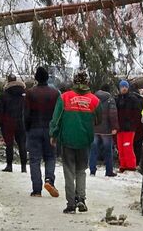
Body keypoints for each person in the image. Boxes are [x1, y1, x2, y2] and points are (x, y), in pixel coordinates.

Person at [49, 70, 101, 214]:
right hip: (85, 140)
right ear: (87, 82)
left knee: (69, 171)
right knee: (81, 171)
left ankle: (71, 203)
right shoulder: (95, 100)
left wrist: (53, 134)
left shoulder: (64, 97)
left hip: (67, 139)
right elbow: (98, 119)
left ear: (74, 82)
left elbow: (56, 119)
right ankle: (81, 199)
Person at [25, 67, 60, 197]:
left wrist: (27, 127)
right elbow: (58, 113)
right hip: (50, 129)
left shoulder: (30, 93)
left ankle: (36, 189)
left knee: (34, 160)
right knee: (50, 157)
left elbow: (26, 114)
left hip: (34, 128)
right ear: (47, 78)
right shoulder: (55, 93)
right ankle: (49, 180)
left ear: (36, 78)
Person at [0, 74, 27, 173]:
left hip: (8, 122)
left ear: (8, 82)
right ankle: (23, 167)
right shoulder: (24, 95)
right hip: (21, 122)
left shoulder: (4, 95)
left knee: (9, 144)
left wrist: (0, 123)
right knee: (22, 144)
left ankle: (9, 165)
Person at [89, 84, 119, 177]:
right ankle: (108, 171)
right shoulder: (110, 99)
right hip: (106, 130)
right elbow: (112, 114)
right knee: (108, 150)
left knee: (93, 150)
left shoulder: (93, 98)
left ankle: (92, 170)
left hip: (94, 128)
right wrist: (114, 127)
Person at [115, 80, 142, 172]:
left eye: (125, 87)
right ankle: (123, 165)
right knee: (120, 148)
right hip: (119, 127)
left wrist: (133, 125)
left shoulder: (132, 99)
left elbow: (137, 113)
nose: (124, 88)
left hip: (129, 128)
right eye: (122, 87)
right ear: (119, 88)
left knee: (128, 147)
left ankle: (131, 165)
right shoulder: (117, 99)